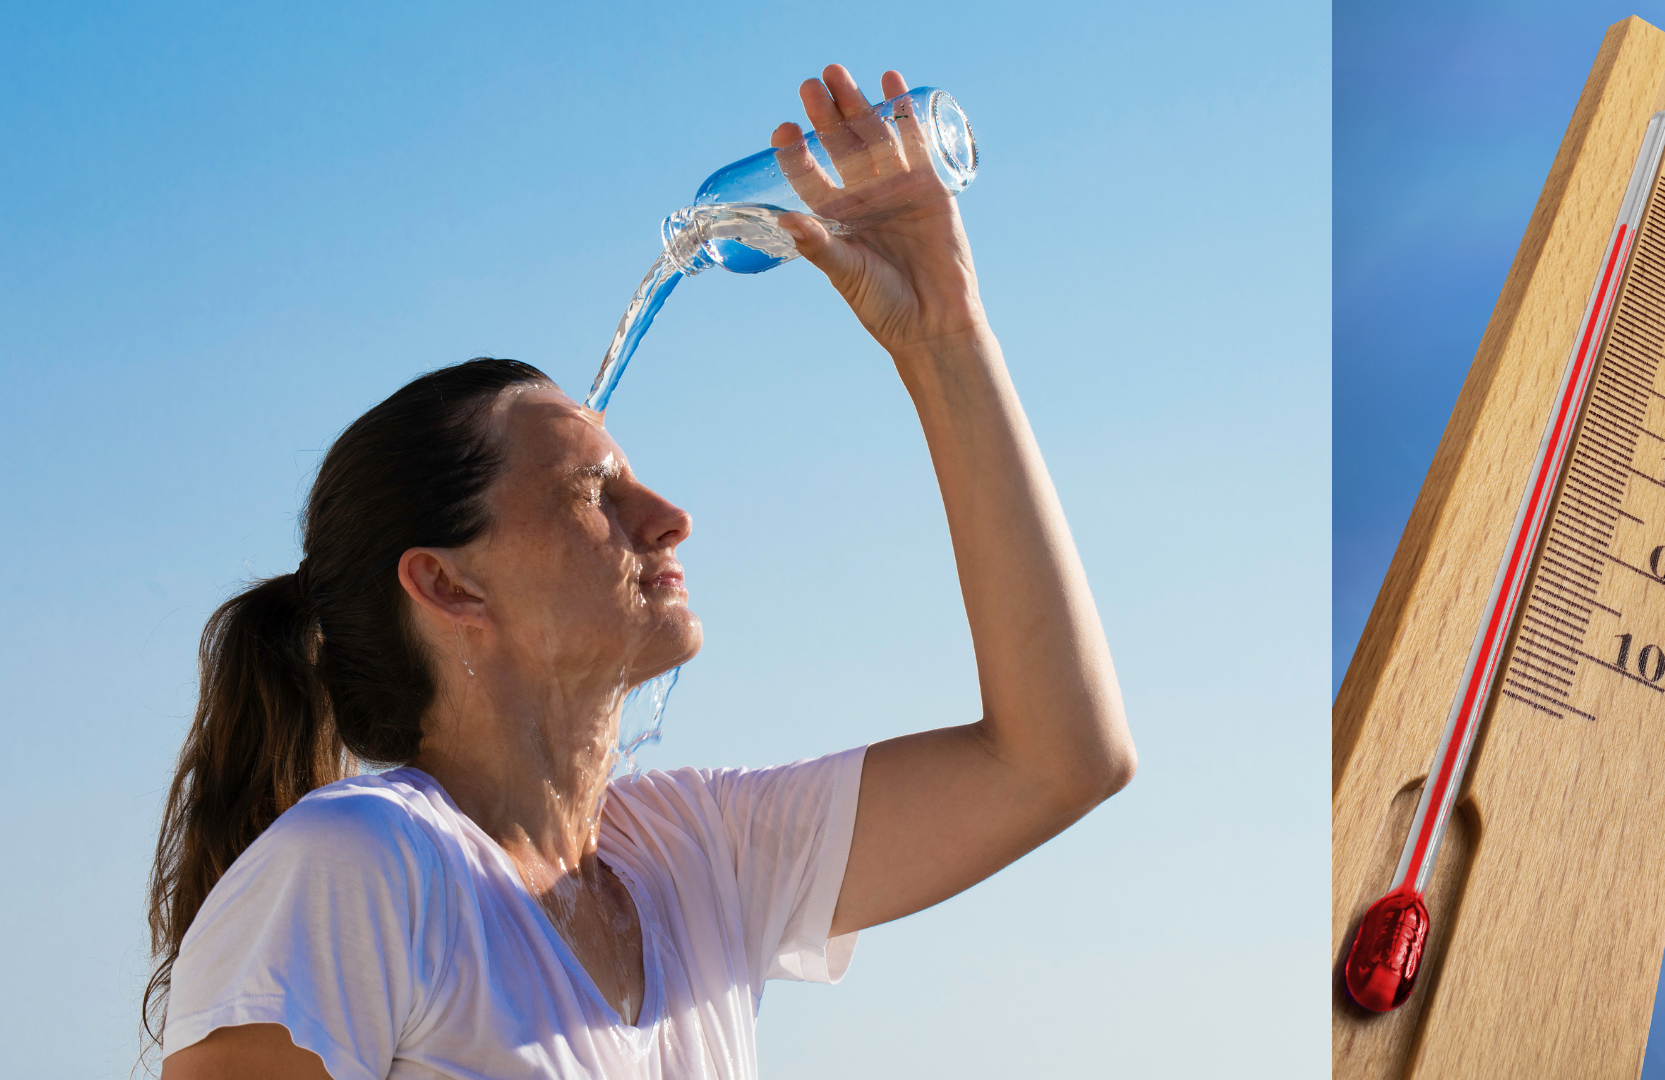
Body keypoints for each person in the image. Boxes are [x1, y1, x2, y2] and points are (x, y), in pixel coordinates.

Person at [147, 65, 1134, 1080]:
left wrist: (944, 336)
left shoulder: (695, 857)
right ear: (448, 586)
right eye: (592, 493)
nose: (669, 519)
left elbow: (1063, 758)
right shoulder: (362, 865)